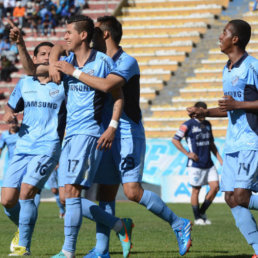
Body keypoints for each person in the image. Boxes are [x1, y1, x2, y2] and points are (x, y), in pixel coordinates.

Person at [53, 15, 192, 258]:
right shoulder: (94, 59)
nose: (89, 36)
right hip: (104, 133)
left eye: (94, 32)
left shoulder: (126, 61)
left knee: (132, 191)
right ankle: (102, 249)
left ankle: (179, 223)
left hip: (127, 132)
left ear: (103, 34)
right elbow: (58, 49)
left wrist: (73, 71)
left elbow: (108, 86)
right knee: (104, 194)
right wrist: (57, 56)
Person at [187, 19, 258, 258]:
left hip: (251, 140)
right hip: (232, 143)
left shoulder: (252, 67)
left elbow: (239, 104)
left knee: (241, 196)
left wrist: (239, 104)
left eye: (224, 32)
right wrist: (205, 113)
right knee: (230, 198)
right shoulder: (226, 69)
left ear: (235, 39)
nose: (220, 36)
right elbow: (230, 108)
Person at [0, 40, 67, 256]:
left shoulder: (63, 83)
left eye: (51, 54)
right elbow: (10, 109)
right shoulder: (24, 83)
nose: (47, 57)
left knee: (27, 191)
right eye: (43, 54)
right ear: (35, 59)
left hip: (48, 146)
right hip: (23, 146)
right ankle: (24, 226)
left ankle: (23, 247)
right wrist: (10, 115)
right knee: (7, 200)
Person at [172, 101, 222, 226]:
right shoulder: (187, 125)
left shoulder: (208, 124)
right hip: (195, 164)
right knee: (196, 190)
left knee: (215, 187)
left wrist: (220, 159)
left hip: (209, 163)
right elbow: (175, 140)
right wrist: (187, 153)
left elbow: (211, 143)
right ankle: (197, 218)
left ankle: (202, 212)